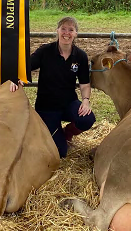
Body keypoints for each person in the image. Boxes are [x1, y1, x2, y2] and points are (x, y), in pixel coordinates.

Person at [11, 16, 95, 158]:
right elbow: (26, 67)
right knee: (60, 152)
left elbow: (85, 83)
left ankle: (67, 133)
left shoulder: (80, 56)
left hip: (69, 103)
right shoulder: (45, 51)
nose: (66, 33)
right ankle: (56, 135)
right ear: (57, 31)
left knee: (87, 119)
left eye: (71, 30)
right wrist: (17, 78)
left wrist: (85, 100)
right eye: (63, 29)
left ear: (75, 34)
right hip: (47, 107)